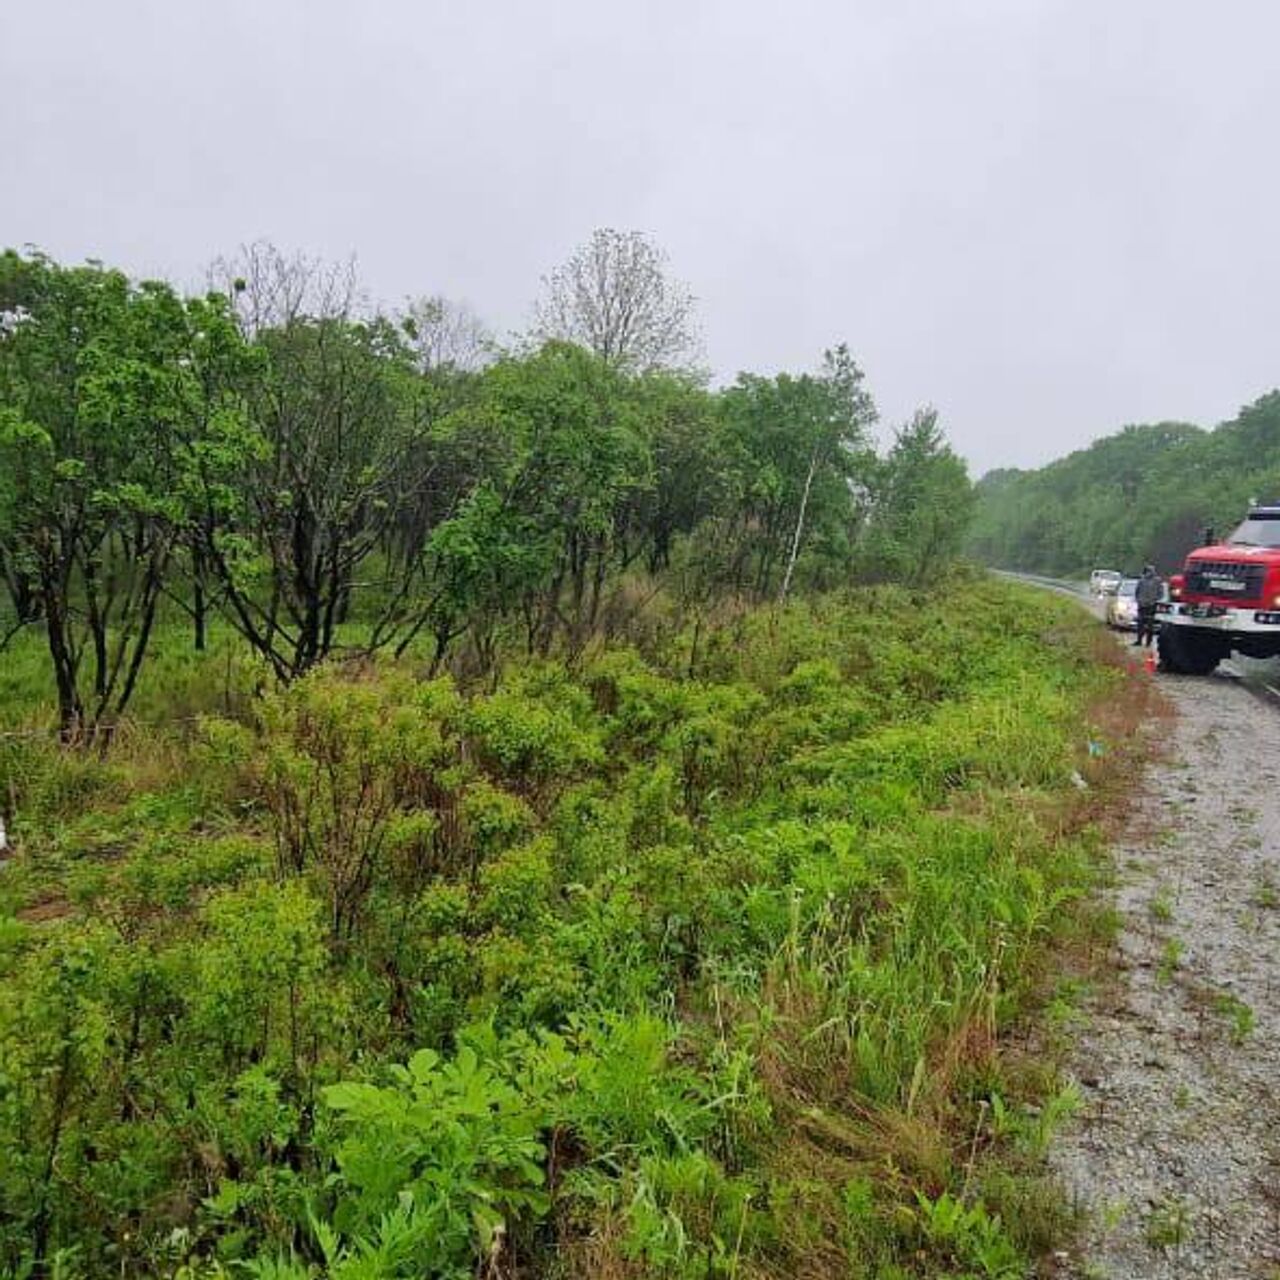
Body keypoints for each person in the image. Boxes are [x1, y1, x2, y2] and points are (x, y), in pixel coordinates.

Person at [1134, 564, 1162, 647]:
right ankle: (1139, 641)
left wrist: (1154, 600)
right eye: (1148, 571)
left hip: (1151, 605)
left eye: (1151, 571)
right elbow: (1137, 591)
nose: (1150, 573)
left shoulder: (1157, 581)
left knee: (1150, 625)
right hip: (1142, 605)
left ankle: (1148, 642)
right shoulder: (1141, 580)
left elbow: (1160, 593)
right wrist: (1139, 600)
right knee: (1140, 624)